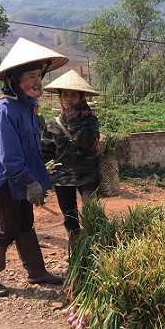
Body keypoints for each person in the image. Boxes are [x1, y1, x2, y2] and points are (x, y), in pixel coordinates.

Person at [0, 37, 69, 297]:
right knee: (8, 229)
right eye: (30, 77)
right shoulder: (5, 109)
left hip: (23, 178)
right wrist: (29, 181)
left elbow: (32, 149)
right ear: (12, 81)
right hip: (8, 180)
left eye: (37, 76)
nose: (36, 82)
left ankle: (36, 272)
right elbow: (9, 156)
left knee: (26, 225)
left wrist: (38, 176)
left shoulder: (27, 107)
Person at [41, 70, 100, 241]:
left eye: (74, 95)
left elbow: (89, 143)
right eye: (65, 95)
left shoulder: (90, 120)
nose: (69, 99)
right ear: (60, 97)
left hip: (87, 174)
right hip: (62, 178)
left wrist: (74, 121)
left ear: (82, 97)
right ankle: (77, 248)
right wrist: (45, 177)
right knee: (70, 216)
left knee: (92, 212)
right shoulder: (52, 123)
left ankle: (97, 244)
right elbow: (46, 152)